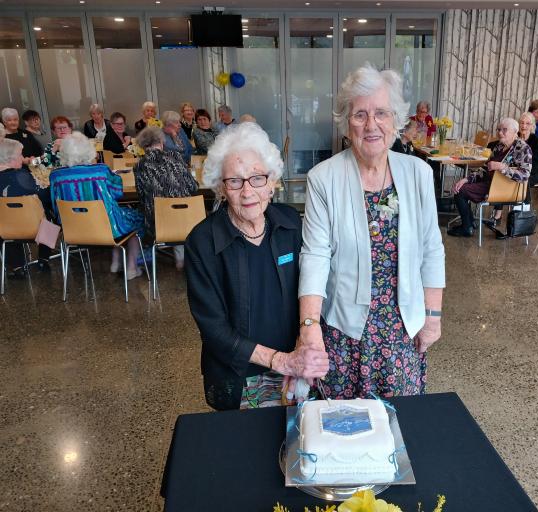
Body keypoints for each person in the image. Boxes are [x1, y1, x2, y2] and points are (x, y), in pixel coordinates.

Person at [298, 64, 445, 400]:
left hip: (402, 330)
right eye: (360, 114)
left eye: (381, 113)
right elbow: (315, 255)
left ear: (396, 120)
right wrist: (309, 327)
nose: (371, 124)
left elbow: (431, 250)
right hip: (344, 331)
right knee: (342, 430)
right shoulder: (323, 179)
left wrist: (432, 317)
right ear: (346, 124)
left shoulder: (419, 173)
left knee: (396, 428)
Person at [185, 122, 328, 410]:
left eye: (257, 178)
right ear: (221, 188)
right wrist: (280, 361)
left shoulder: (291, 224)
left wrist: (301, 351)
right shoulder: (202, 242)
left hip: (296, 366)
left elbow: (313, 289)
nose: (248, 191)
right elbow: (213, 330)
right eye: (235, 181)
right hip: (240, 375)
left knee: (300, 445)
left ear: (272, 180)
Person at [49, 132, 145, 279]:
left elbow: (56, 207)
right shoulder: (101, 170)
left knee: (113, 214)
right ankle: (131, 268)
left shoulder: (56, 176)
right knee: (137, 218)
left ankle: (116, 259)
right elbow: (117, 193)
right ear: (89, 151)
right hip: (106, 226)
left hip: (72, 229)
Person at [447, 118, 532, 238]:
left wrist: (502, 167)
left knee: (460, 191)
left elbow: (525, 175)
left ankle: (467, 227)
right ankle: (469, 223)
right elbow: (484, 169)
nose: (500, 132)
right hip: (491, 184)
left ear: (515, 132)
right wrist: (466, 179)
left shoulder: (523, 148)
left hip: (506, 188)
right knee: (459, 186)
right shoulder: (499, 146)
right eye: (498, 129)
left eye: (504, 130)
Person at [134, 126, 198, 270]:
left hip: (158, 223)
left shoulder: (140, 165)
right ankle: (182, 256)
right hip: (187, 220)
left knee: (144, 211)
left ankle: (146, 254)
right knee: (181, 207)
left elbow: (142, 196)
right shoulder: (176, 157)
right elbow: (193, 187)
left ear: (143, 146)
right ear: (162, 141)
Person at [0, 139, 51, 276]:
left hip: (5, 231)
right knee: (48, 216)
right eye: (20, 155)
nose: (23, 158)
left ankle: (17, 267)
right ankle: (43, 260)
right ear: (10, 157)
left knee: (7, 218)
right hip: (34, 228)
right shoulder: (22, 176)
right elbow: (44, 197)